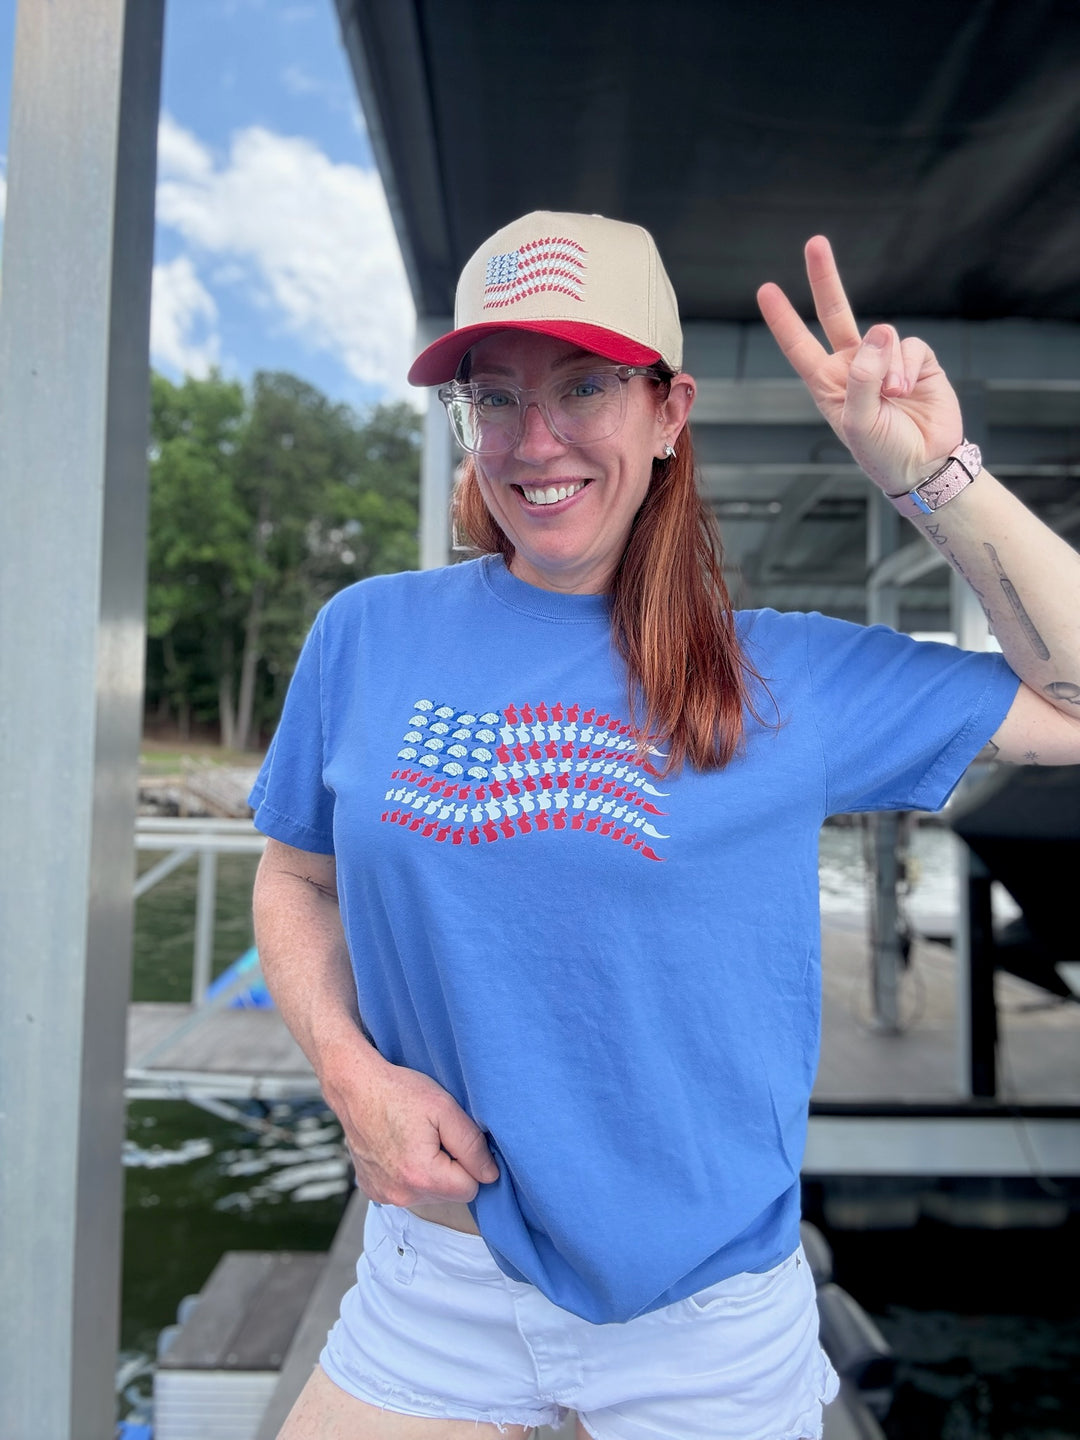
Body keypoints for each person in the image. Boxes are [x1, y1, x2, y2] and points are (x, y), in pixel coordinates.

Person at [250, 211, 1080, 1440]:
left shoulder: (782, 675)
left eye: (583, 386)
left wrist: (931, 476)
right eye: (494, 398)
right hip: (440, 1279)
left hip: (703, 1325)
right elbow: (295, 881)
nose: (534, 441)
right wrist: (349, 1075)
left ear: (669, 412)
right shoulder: (367, 634)